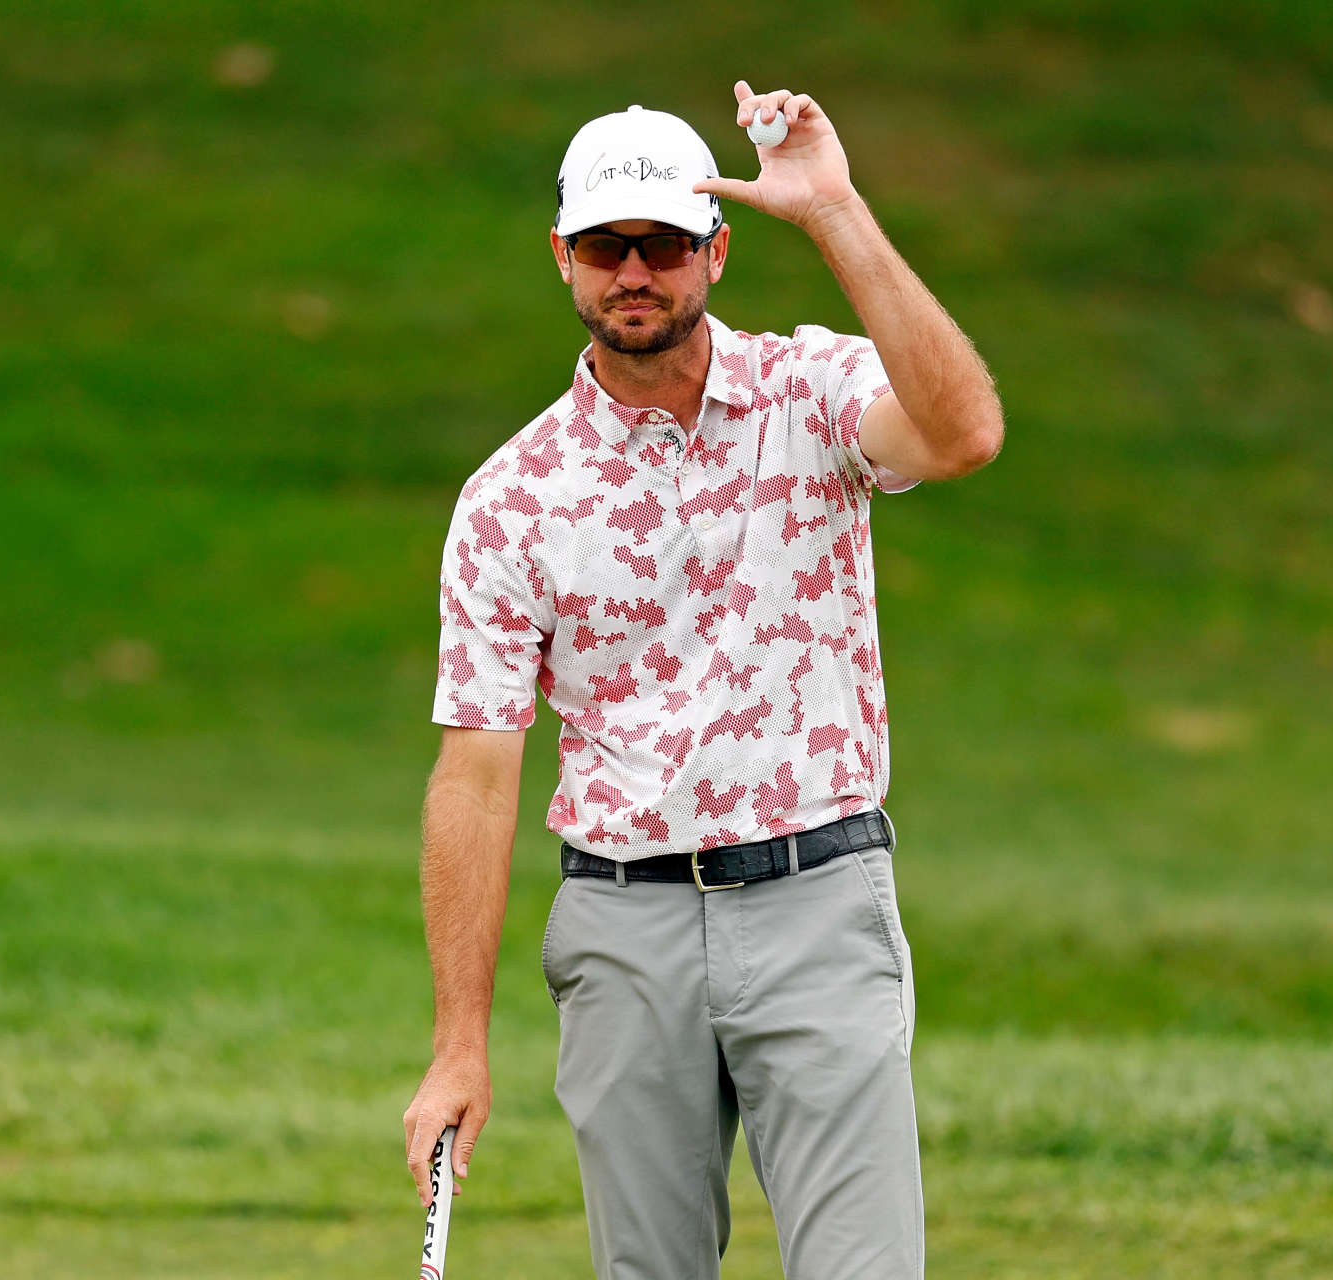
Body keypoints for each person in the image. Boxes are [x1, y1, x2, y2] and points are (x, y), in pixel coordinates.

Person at [402, 80, 1002, 1279]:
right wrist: (457, 1041)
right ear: (563, 257)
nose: (637, 269)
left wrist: (833, 210)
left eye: (666, 242)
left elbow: (961, 430)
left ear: (715, 251)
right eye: (607, 245)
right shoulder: (510, 498)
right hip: (625, 925)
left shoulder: (812, 394)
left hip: (817, 896)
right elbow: (474, 779)